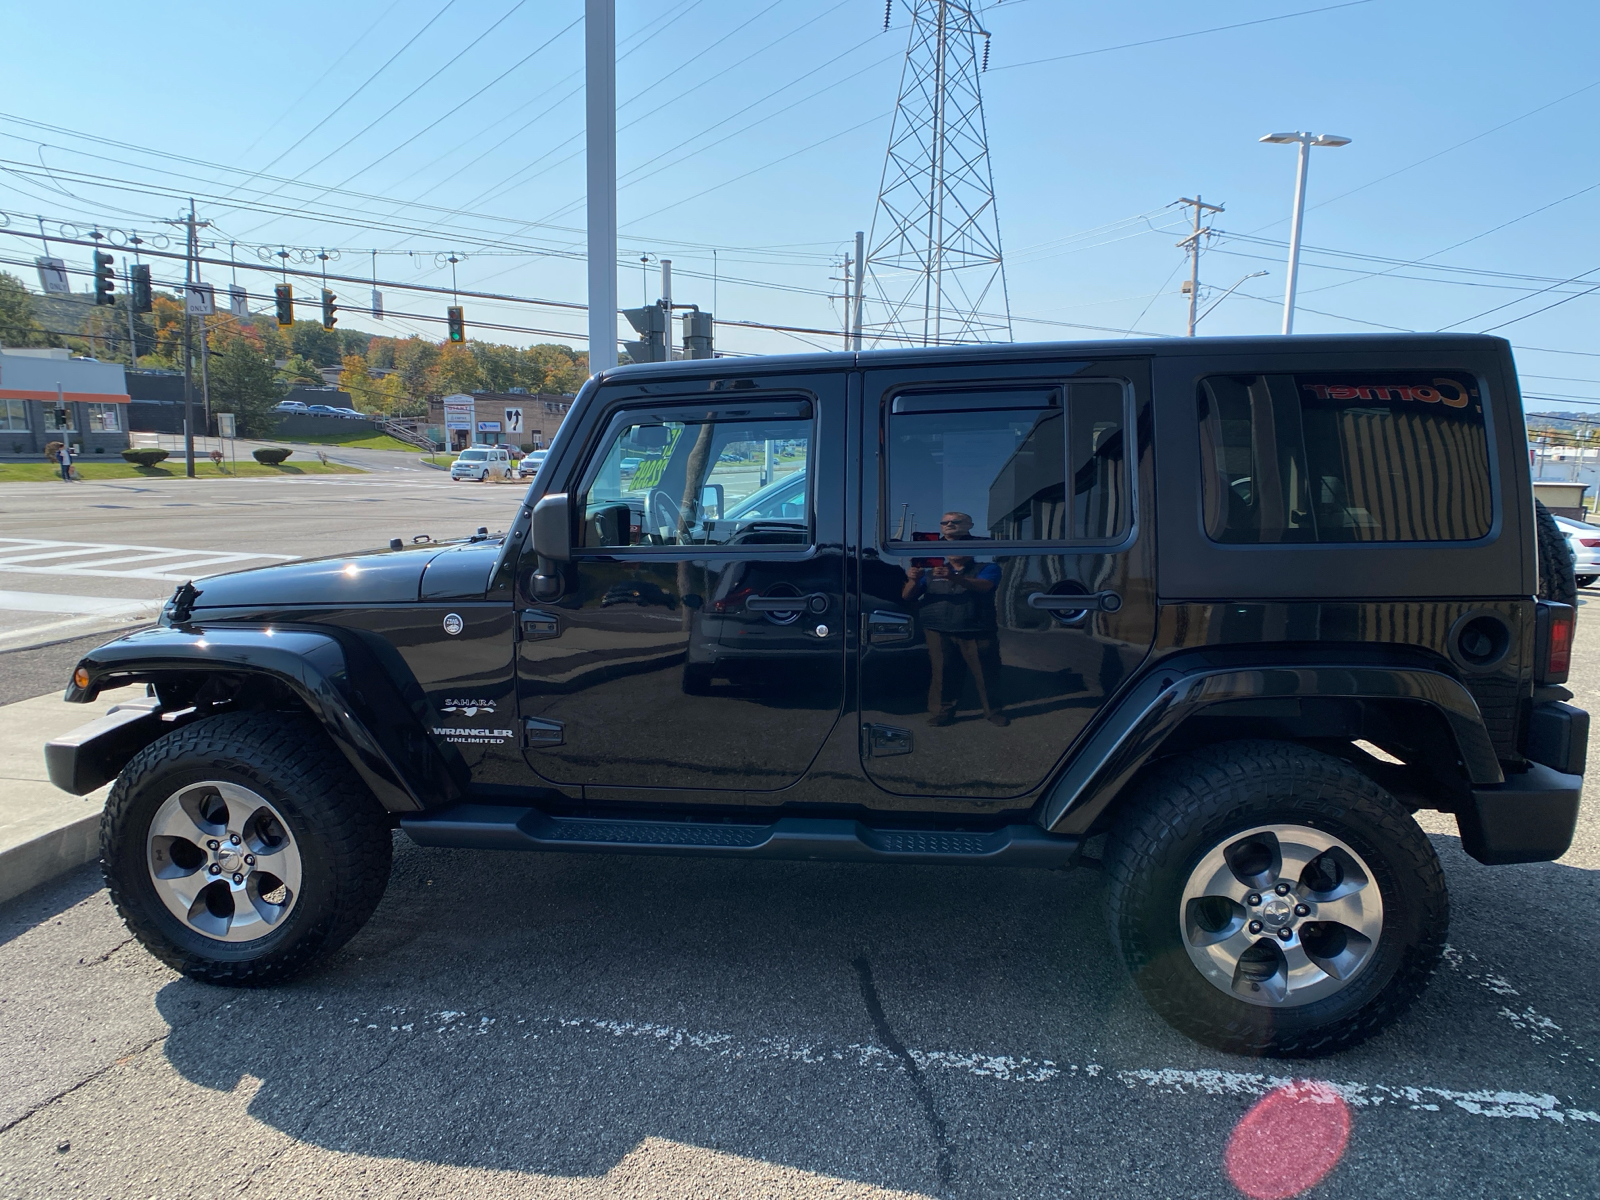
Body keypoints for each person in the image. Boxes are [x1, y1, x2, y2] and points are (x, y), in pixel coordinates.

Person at [902, 511, 1007, 726]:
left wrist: (954, 578)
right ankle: (942, 712)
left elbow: (985, 586)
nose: (954, 551)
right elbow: (907, 595)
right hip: (938, 629)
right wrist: (913, 580)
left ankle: (993, 711)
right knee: (943, 674)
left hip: (976, 629)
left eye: (960, 546)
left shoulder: (987, 568)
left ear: (970, 551)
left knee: (986, 674)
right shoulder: (931, 572)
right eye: (950, 548)